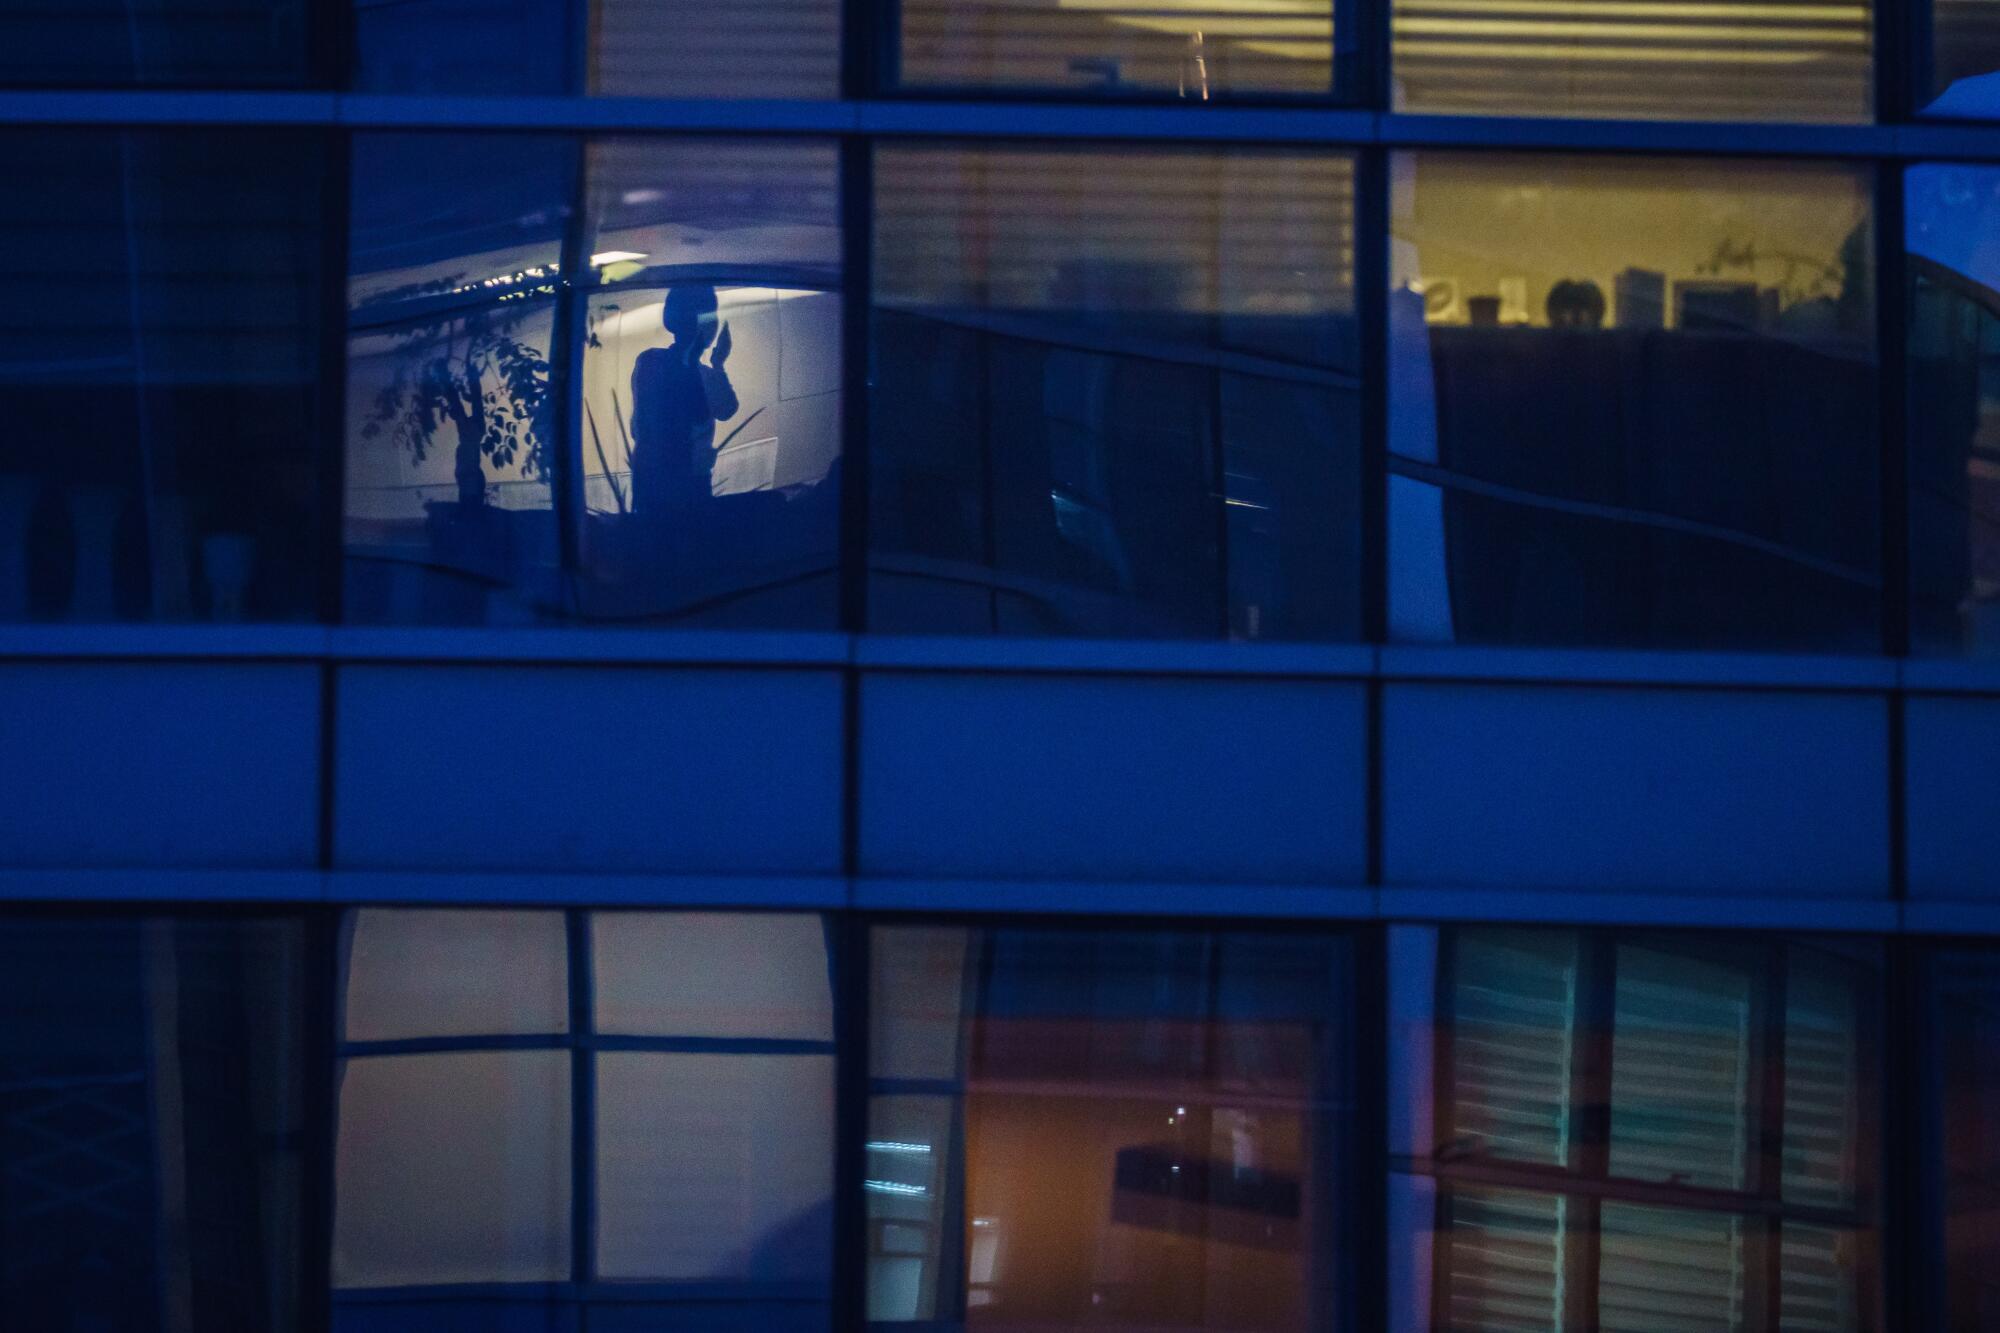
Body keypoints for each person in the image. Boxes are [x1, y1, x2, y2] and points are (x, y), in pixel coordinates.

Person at [628, 284, 738, 521]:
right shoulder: (693, 373)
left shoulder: (648, 361)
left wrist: (716, 363)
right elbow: (725, 409)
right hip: (683, 486)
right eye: (712, 316)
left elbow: (727, 409)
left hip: (649, 480)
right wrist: (718, 364)